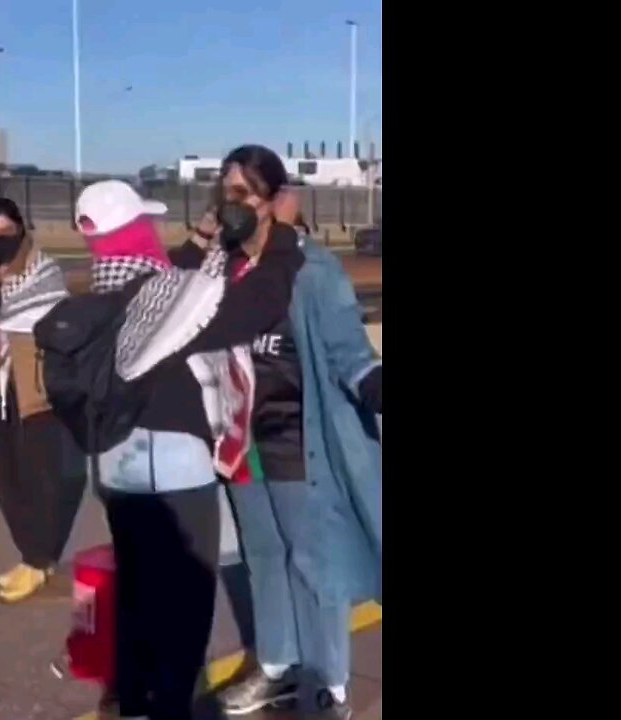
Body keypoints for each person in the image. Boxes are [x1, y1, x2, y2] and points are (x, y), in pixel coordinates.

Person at [167, 145, 382, 720]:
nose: (231, 204)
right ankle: (279, 665)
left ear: (274, 201)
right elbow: (166, 297)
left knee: (313, 562)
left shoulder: (311, 269)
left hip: (296, 439)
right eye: (225, 192)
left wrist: (373, 386)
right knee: (264, 556)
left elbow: (348, 351)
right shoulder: (223, 267)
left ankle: (328, 682)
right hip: (241, 443)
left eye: (243, 194)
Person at [36, 180, 250, 720]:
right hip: (181, 461)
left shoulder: (90, 306)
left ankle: (131, 699)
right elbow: (224, 315)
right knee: (190, 593)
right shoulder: (172, 293)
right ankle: (173, 705)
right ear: (138, 230)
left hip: (117, 464)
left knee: (136, 587)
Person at [0, 197, 86, 603]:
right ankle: (30, 555)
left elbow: (41, 318)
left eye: (7, 231)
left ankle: (38, 561)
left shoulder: (44, 268)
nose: (0, 239)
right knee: (4, 476)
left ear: (21, 225)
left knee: (41, 479)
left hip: (35, 386)